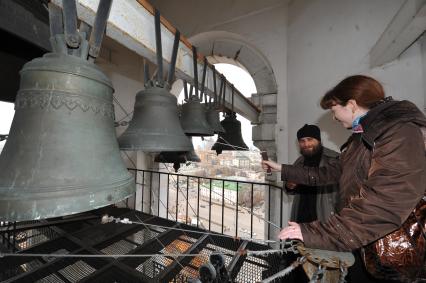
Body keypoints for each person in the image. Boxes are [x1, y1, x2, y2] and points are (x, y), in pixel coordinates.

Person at [262, 75, 426, 282]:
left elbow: (383, 204)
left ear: (351, 105)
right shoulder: (362, 138)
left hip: (394, 252)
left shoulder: (400, 132)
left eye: (333, 110)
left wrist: (316, 232)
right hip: (364, 241)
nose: (334, 117)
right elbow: (328, 173)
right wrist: (281, 169)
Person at [289, 124, 339, 224]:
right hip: (301, 219)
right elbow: (290, 189)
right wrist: (289, 185)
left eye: (310, 139)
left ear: (319, 140)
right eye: (302, 141)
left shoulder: (334, 159)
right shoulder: (299, 162)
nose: (306, 144)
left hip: (326, 218)